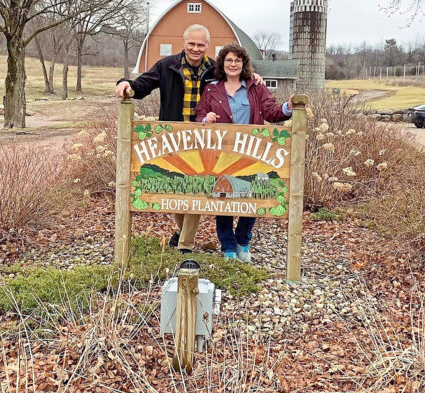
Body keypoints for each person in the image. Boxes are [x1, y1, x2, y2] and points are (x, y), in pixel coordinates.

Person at [115, 25, 262, 253]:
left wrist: (254, 78)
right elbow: (143, 85)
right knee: (175, 185)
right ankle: (178, 231)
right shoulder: (168, 66)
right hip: (174, 136)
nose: (196, 48)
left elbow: (237, 78)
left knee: (195, 186)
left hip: (204, 139)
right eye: (191, 44)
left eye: (200, 45)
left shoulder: (215, 69)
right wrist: (126, 85)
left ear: (207, 46)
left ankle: (185, 245)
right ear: (184, 44)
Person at [194, 43, 294, 262]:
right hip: (222, 153)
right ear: (222, 63)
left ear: (243, 64)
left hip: (252, 152)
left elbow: (271, 111)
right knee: (224, 197)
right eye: (229, 60)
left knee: (253, 196)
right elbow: (199, 114)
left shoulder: (255, 87)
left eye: (237, 60)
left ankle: (243, 240)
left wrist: (288, 107)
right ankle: (228, 246)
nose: (233, 64)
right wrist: (205, 119)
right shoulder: (212, 89)